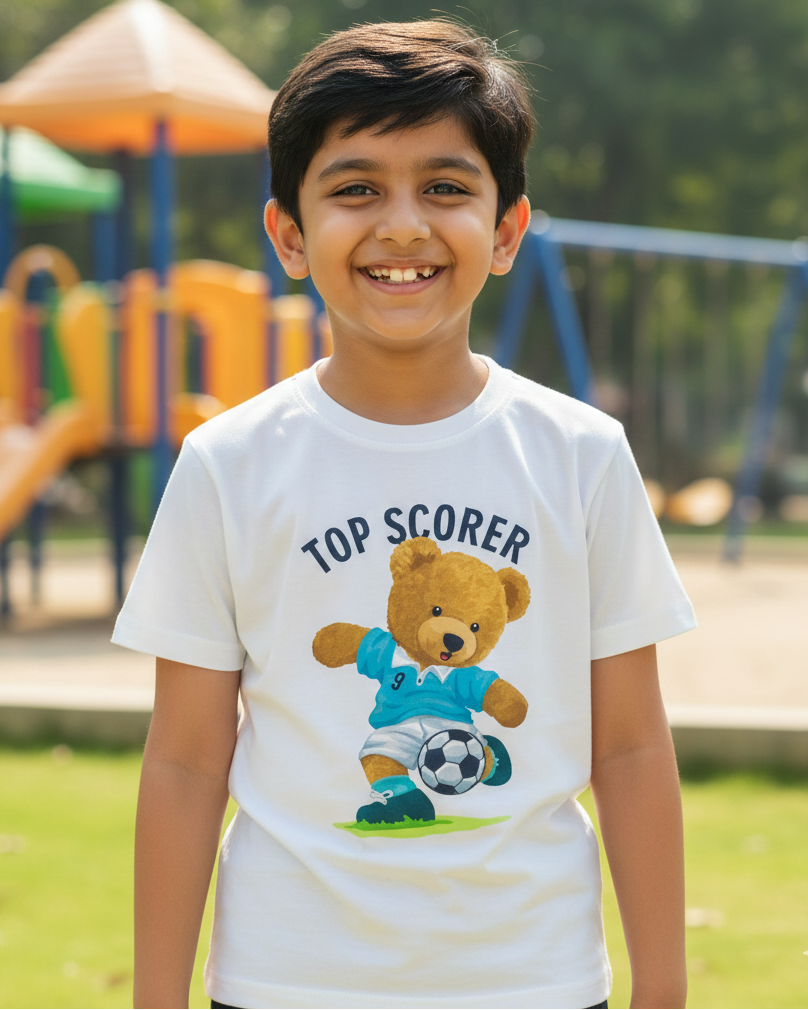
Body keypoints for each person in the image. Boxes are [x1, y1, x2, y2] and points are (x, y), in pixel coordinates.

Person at [116, 20, 695, 1010]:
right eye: (355, 189)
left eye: (445, 187)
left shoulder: (581, 454)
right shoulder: (228, 463)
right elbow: (185, 759)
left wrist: (666, 989)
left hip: (534, 980)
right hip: (285, 979)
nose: (401, 226)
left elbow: (631, 745)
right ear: (288, 236)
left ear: (505, 231)